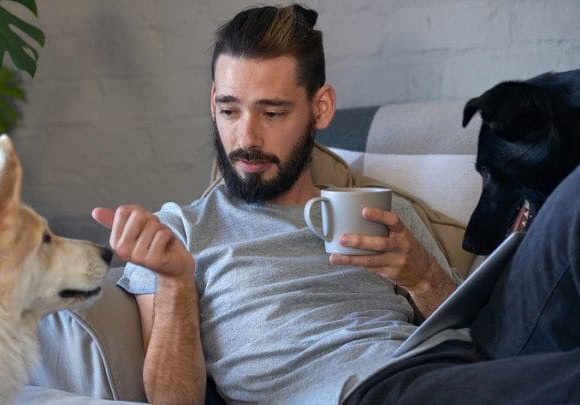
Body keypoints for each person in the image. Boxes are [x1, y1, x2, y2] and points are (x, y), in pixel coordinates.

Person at [91, 4, 580, 404]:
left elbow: (472, 332)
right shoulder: (178, 233)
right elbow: (173, 401)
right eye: (229, 110)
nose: (246, 138)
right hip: (370, 392)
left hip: (452, 363)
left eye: (273, 113)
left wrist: (422, 276)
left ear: (320, 108)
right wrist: (175, 281)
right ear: (213, 101)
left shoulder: (381, 212)